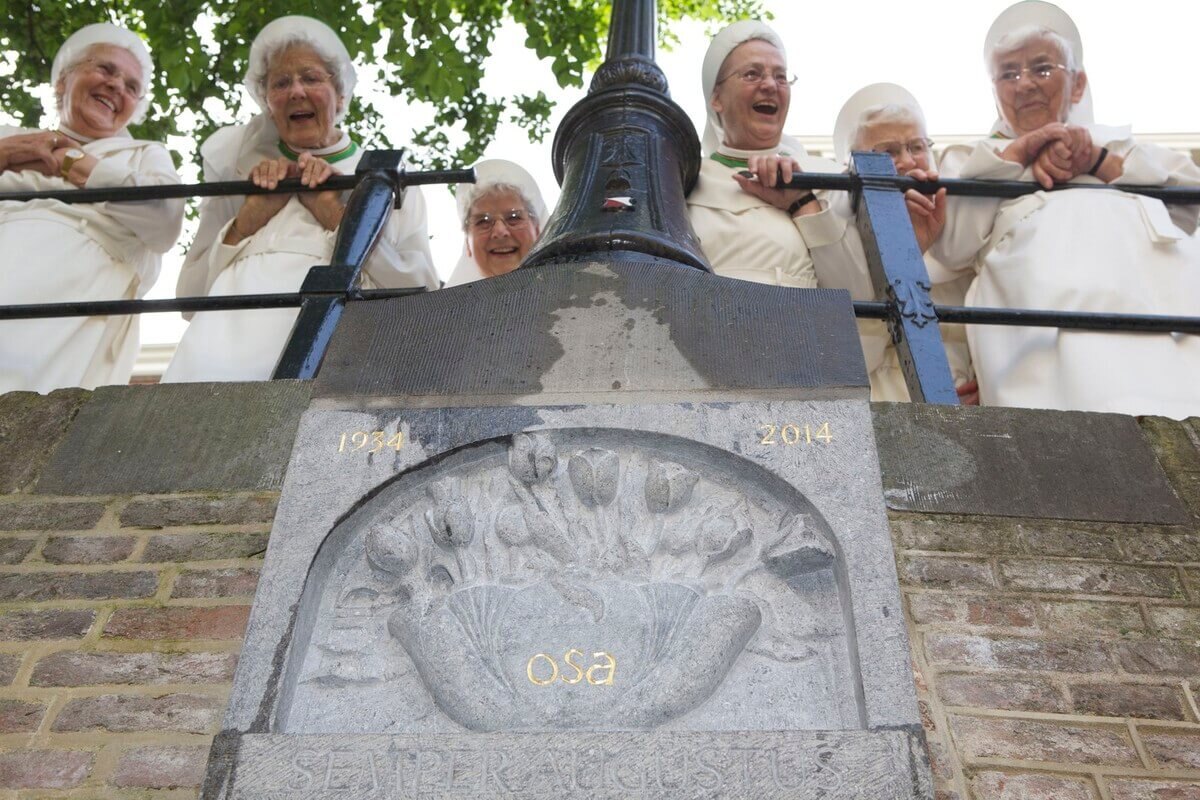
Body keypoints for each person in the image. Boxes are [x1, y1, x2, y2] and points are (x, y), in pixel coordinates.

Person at [931, 0, 1200, 418]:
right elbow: (949, 246)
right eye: (1009, 74)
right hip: (1044, 326)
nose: (1025, 84)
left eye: (1042, 68)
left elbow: (1190, 209)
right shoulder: (967, 157)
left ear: (1077, 84)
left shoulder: (1129, 147)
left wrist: (1096, 162)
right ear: (995, 91)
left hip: (1152, 319)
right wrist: (1017, 157)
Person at [163, 15, 437, 383]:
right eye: (281, 83)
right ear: (268, 103)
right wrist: (249, 219)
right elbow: (189, 295)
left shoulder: (387, 178)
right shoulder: (242, 173)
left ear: (340, 94)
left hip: (331, 345)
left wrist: (333, 213)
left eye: (310, 78)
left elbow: (421, 295)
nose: (295, 91)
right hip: (217, 345)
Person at [0, 23, 183, 393]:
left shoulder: (144, 154)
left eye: (132, 87)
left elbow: (164, 220)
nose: (117, 86)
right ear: (63, 82)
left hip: (75, 308)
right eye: (104, 69)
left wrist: (67, 160)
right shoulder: (8, 135)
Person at [795, 83, 977, 403]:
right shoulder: (835, 244)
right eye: (888, 152)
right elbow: (855, 360)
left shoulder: (963, 233)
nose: (908, 161)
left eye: (917, 146)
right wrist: (908, 255)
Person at [686, 21, 840, 287]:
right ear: (716, 98)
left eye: (781, 76)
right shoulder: (686, 179)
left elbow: (851, 293)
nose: (770, 85)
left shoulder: (829, 176)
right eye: (751, 74)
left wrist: (802, 202)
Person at [446, 159, 547, 287]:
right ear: (467, 244)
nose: (500, 232)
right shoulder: (444, 306)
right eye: (483, 221)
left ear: (538, 231)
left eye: (514, 217)